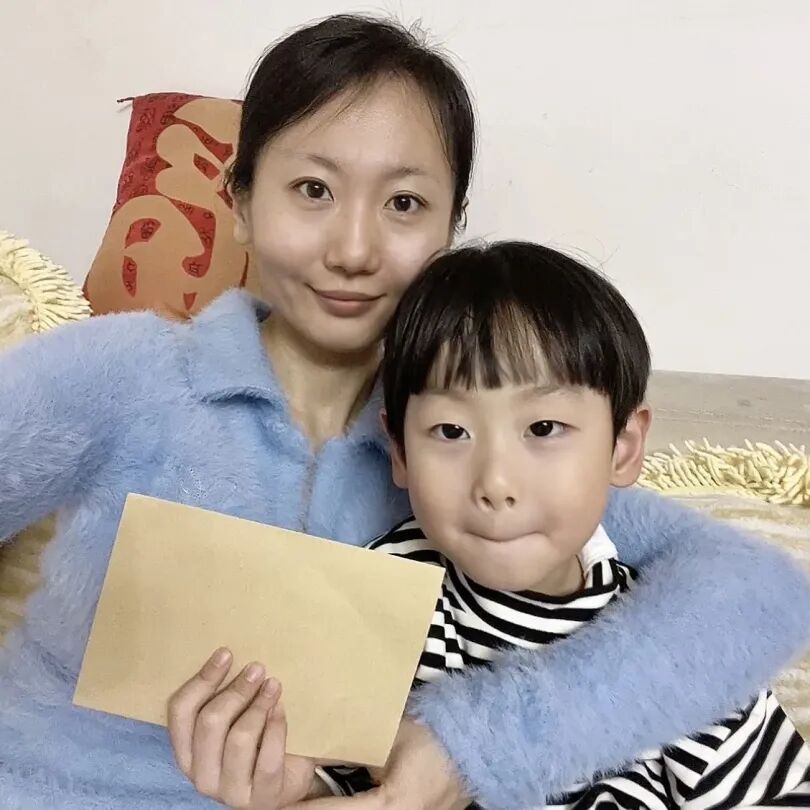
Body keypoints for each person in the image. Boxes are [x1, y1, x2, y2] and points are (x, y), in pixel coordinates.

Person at [0, 13, 806, 810]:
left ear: (452, 226)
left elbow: (756, 591)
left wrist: (477, 746)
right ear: (239, 199)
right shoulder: (126, 373)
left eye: (405, 203)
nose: (354, 250)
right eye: (313, 190)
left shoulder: (466, 448)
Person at [299, 241, 804, 806]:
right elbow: (330, 776)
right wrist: (290, 783)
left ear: (623, 447)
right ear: (399, 451)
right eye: (451, 431)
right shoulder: (381, 601)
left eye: (542, 429)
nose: (495, 482)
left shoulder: (683, 646)